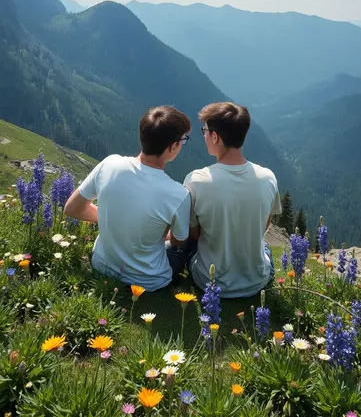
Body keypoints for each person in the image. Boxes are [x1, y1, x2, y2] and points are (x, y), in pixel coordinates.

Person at [64, 105, 191, 291]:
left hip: (102, 266)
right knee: (189, 243)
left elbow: (72, 208)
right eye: (183, 140)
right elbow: (178, 242)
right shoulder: (178, 194)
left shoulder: (109, 164)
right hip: (149, 281)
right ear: (172, 147)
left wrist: (114, 219)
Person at [184, 102, 281, 298]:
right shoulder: (268, 177)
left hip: (208, 282)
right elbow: (264, 225)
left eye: (205, 131)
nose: (204, 136)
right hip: (257, 280)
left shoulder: (196, 180)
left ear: (215, 137)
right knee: (264, 246)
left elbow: (193, 233)